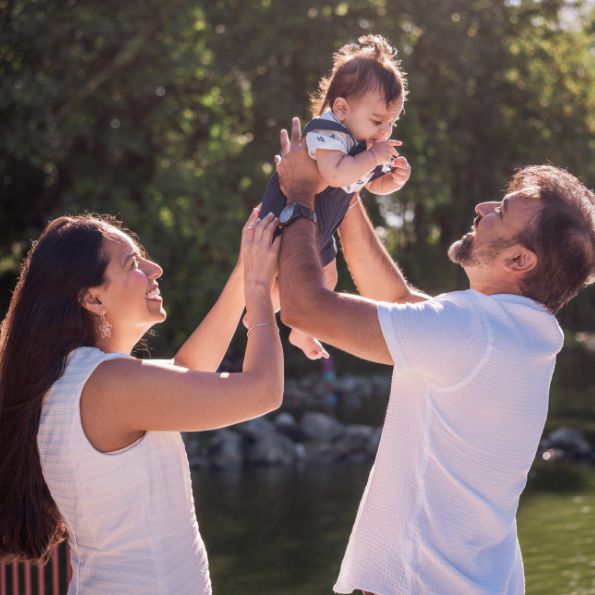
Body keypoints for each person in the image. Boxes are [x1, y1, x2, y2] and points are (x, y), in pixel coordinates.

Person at [275, 117, 594, 595]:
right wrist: (344, 186)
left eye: (500, 212)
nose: (482, 208)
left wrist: (300, 196)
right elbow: (398, 301)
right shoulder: (521, 334)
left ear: (520, 262)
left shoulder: (472, 328)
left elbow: (304, 306)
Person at [0, 209, 283, 594]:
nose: (155, 269)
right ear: (93, 299)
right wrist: (259, 295)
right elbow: (263, 391)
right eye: (133, 263)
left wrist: (245, 274)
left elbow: (189, 369)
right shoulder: (109, 384)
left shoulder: (75, 377)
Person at [259, 34, 412, 360]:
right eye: (377, 121)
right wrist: (372, 158)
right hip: (289, 221)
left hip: (319, 227)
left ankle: (301, 330)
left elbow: (365, 186)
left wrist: (390, 180)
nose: (384, 131)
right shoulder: (327, 133)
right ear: (341, 109)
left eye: (391, 123)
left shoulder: (360, 142)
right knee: (275, 276)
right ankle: (257, 313)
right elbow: (336, 175)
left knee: (327, 277)